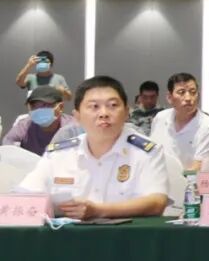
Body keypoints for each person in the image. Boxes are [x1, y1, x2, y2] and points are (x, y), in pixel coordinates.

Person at [15, 76, 168, 218]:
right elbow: (24, 195)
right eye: (94, 106)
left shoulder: (147, 152)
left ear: (127, 112)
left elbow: (156, 202)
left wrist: (99, 211)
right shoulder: (59, 154)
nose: (104, 113)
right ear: (77, 116)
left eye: (113, 105)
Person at [149, 73, 209, 171]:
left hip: (188, 179)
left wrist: (178, 179)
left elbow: (197, 168)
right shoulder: (160, 118)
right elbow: (151, 153)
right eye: (181, 92)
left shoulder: (208, 127)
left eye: (193, 92)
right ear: (169, 97)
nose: (188, 98)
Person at [2, 85, 76, 155]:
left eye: (45, 105)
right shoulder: (25, 126)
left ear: (61, 107)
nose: (39, 111)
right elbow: (8, 143)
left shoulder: (74, 127)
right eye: (34, 106)